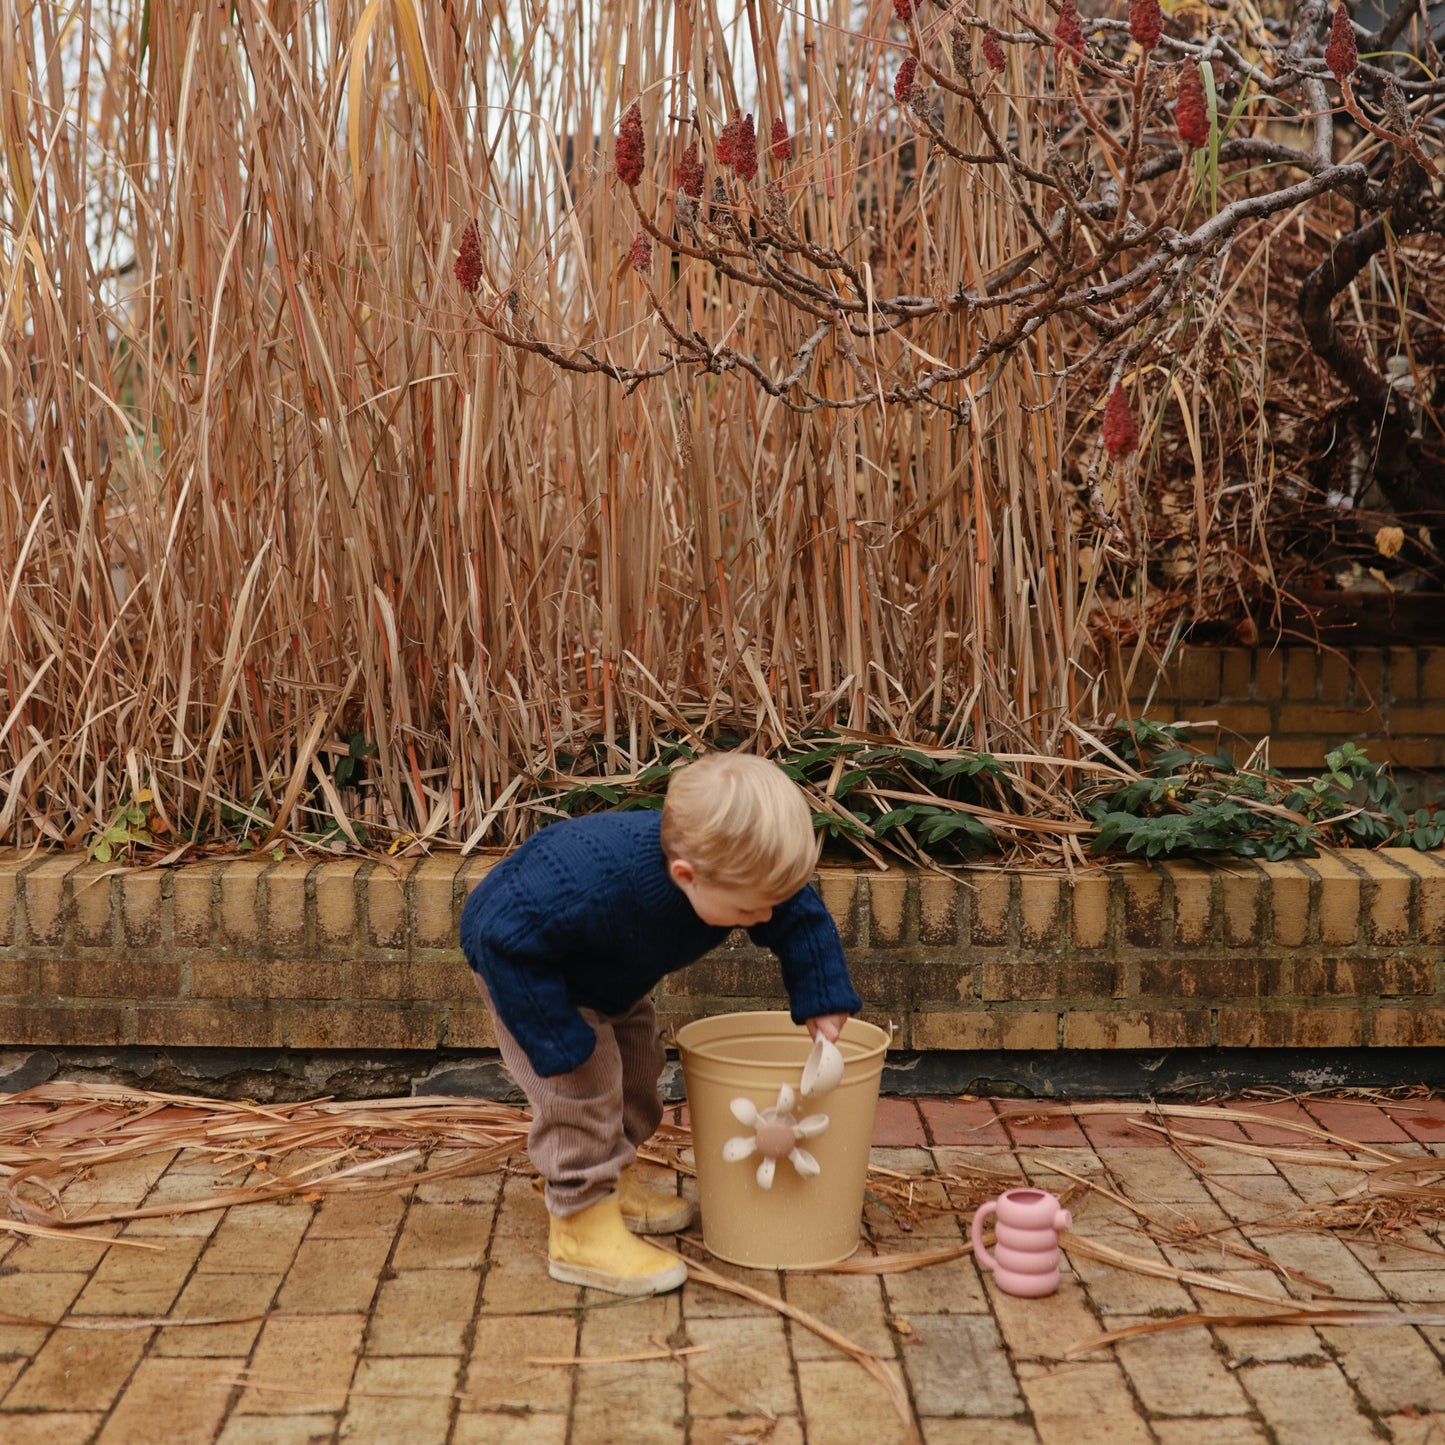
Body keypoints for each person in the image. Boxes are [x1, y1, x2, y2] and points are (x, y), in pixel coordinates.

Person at [459, 751, 862, 1296]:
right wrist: (555, 1040)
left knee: (639, 1065)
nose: (764, 918)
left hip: (606, 973)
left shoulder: (740, 874)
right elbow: (498, 936)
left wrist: (821, 997)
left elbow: (796, 913)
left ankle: (614, 1177)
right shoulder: (593, 883)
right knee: (583, 1087)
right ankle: (579, 1223)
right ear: (685, 875)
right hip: (530, 976)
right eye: (750, 911)